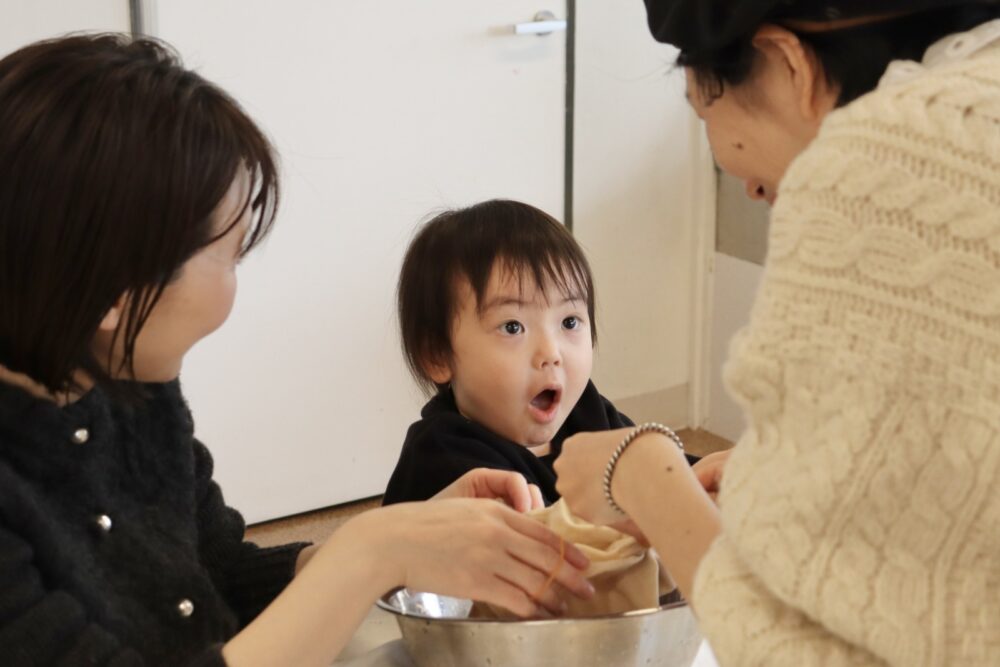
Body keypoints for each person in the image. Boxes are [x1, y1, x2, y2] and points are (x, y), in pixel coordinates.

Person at [0, 35, 596, 666]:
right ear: (114, 290)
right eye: (229, 255)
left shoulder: (129, 392)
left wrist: (404, 542)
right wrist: (371, 554)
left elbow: (220, 573)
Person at [555, 1, 1000, 665]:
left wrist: (642, 474)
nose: (747, 188)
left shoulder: (877, 169)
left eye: (703, 110)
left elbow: (797, 650)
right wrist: (788, 473)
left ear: (788, 63)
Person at [384, 200, 690, 506]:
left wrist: (704, 475)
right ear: (437, 355)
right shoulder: (445, 460)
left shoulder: (587, 412)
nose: (551, 353)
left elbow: (657, 469)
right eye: (513, 327)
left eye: (569, 322)